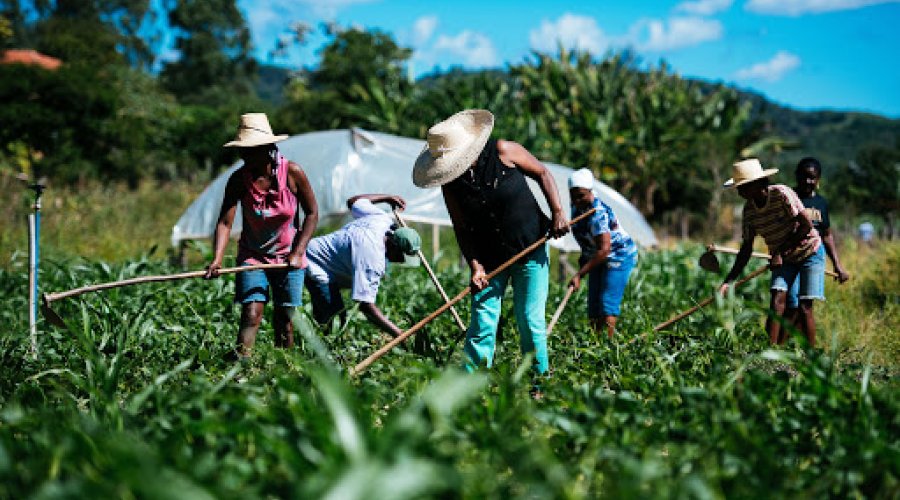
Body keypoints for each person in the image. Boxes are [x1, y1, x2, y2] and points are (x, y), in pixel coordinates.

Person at [412, 109, 569, 391]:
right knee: (483, 322)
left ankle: (539, 384)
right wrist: (475, 265)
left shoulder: (504, 151)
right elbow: (461, 227)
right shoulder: (451, 183)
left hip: (529, 248)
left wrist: (557, 212)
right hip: (489, 260)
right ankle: (468, 387)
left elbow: (543, 174)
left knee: (530, 320)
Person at [205, 113, 319, 359]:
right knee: (251, 314)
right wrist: (216, 259)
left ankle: (282, 372)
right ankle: (241, 369)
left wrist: (298, 253)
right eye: (242, 150)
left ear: (267, 148)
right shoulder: (238, 180)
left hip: (288, 257)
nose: (243, 156)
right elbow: (225, 222)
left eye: (249, 150)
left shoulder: (292, 173)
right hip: (253, 255)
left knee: (284, 321)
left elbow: (312, 213)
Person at [717, 158, 823, 347]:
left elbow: (806, 225)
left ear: (757, 184)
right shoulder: (749, 211)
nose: (739, 192)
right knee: (777, 299)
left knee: (805, 306)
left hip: (810, 251)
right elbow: (746, 248)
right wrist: (729, 280)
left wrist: (780, 250)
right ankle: (770, 355)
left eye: (743, 187)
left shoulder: (782, 194)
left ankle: (812, 359)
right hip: (784, 258)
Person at [304, 194, 422, 338]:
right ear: (393, 247)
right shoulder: (371, 258)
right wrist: (397, 333)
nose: (401, 262)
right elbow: (365, 305)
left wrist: (386, 198)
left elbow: (353, 202)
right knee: (334, 319)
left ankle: (318, 347)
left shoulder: (382, 220)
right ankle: (320, 354)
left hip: (319, 250)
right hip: (316, 263)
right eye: (401, 257)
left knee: (328, 317)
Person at [567, 168, 638, 339]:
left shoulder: (598, 214)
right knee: (593, 306)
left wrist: (579, 274)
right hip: (597, 257)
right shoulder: (577, 209)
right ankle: (594, 343)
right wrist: (584, 260)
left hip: (618, 256)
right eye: (574, 196)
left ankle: (606, 348)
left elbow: (604, 250)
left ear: (590, 191)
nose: (577, 200)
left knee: (607, 305)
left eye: (581, 195)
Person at [787, 157, 850, 322]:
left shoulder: (821, 203)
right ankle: (779, 345)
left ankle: (802, 346)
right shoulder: (788, 198)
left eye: (812, 177)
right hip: (790, 255)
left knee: (805, 305)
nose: (808, 181)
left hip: (813, 255)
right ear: (797, 176)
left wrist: (837, 265)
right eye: (804, 176)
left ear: (818, 179)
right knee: (790, 302)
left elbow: (827, 235)